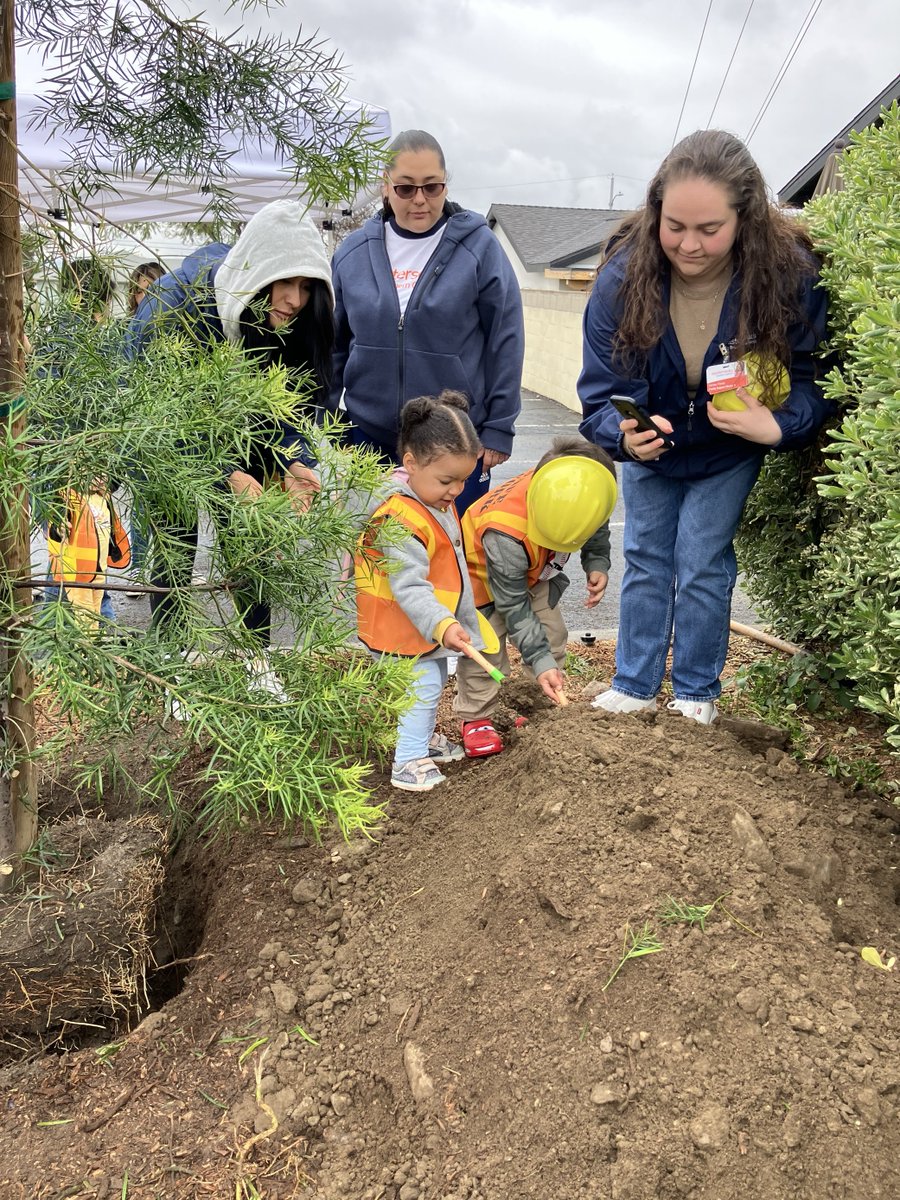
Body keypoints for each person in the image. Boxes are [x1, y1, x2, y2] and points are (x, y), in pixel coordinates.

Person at [578, 129, 831, 724]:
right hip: (653, 452)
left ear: (744, 217)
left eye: (709, 229)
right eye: (675, 226)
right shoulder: (621, 278)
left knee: (701, 563)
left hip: (728, 449)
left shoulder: (788, 275)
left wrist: (779, 425)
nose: (689, 245)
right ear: (657, 211)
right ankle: (635, 685)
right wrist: (623, 436)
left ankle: (695, 694)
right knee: (644, 557)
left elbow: (814, 375)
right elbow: (600, 394)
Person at [126, 199, 334, 640]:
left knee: (250, 542)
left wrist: (294, 460)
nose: (294, 300)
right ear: (256, 271)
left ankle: (257, 661)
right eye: (283, 282)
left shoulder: (285, 323)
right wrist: (224, 472)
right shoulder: (174, 308)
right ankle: (171, 659)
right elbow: (155, 414)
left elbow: (284, 405)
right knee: (173, 547)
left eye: (306, 286)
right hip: (166, 444)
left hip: (241, 434)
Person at [331, 129, 524, 515]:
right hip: (368, 439)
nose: (420, 200)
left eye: (432, 187)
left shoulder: (479, 247)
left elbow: (505, 337)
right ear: (385, 186)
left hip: (453, 443)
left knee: (451, 558)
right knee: (370, 557)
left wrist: (499, 426)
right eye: (405, 189)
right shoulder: (351, 253)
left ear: (445, 184)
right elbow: (334, 345)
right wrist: (326, 422)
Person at [455, 437, 618, 757]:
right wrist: (539, 659)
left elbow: (596, 524)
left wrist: (596, 562)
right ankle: (476, 718)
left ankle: (536, 701)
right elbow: (512, 605)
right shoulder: (505, 528)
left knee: (551, 634)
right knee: (486, 650)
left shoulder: (580, 490)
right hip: (482, 577)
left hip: (536, 568)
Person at [355, 390, 483, 792]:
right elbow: (409, 585)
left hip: (419, 624)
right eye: (447, 480)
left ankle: (421, 740)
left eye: (465, 479)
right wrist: (443, 624)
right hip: (400, 624)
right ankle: (409, 760)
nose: (457, 490)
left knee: (429, 678)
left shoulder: (434, 501)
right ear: (410, 463)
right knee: (424, 683)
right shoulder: (401, 517)